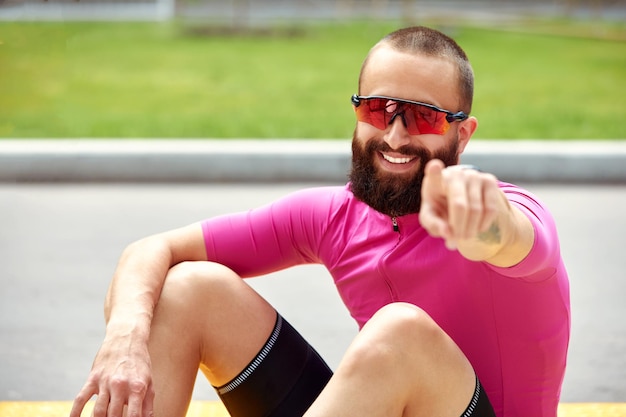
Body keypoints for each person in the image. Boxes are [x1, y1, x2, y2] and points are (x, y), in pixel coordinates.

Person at [71, 26, 570, 417]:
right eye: (379, 109)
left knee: (401, 333)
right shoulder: (334, 216)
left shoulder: (510, 214)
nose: (395, 136)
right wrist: (125, 340)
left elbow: (511, 238)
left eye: (424, 117)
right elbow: (149, 250)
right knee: (187, 287)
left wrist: (486, 226)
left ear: (463, 135)